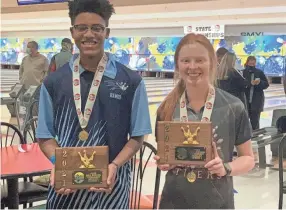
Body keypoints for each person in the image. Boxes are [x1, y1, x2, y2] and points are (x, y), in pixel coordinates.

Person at [35, 0, 152, 209]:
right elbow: (45, 136)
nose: (89, 34)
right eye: (82, 28)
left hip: (112, 188)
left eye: (97, 28)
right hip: (67, 193)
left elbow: (137, 137)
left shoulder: (132, 81)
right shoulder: (53, 82)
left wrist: (115, 165)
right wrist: (59, 164)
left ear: (107, 32)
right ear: (72, 32)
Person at [154, 33, 255, 209]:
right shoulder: (166, 108)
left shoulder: (233, 106)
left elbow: (248, 158)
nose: (192, 67)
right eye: (186, 61)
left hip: (217, 202)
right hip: (173, 201)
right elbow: (164, 155)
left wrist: (226, 168)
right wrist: (163, 161)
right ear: (177, 64)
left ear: (213, 62)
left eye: (200, 60)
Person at [243, 56, 269, 130]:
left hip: (256, 102)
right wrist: (249, 83)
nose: (252, 65)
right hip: (245, 102)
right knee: (244, 124)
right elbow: (241, 85)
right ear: (247, 63)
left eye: (253, 64)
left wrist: (259, 82)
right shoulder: (243, 72)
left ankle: (256, 138)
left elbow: (266, 84)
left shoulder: (259, 72)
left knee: (255, 124)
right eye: (250, 63)